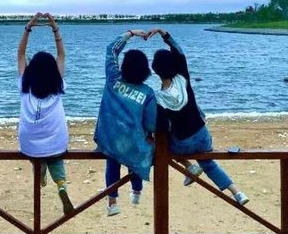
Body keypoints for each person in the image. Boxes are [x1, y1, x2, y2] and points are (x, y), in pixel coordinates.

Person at [148, 28, 249, 205]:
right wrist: (162, 33)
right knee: (209, 163)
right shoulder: (182, 78)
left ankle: (189, 167)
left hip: (182, 146)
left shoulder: (158, 98)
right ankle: (238, 192)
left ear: (155, 70)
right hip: (203, 136)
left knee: (162, 148)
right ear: (173, 65)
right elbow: (179, 51)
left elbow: (162, 127)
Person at [95, 29, 157, 217]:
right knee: (136, 157)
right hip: (132, 143)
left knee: (112, 163)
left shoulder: (113, 78)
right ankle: (136, 191)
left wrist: (130, 33)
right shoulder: (147, 92)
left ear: (124, 66)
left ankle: (112, 202)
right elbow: (151, 123)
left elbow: (111, 50)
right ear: (145, 70)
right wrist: (150, 135)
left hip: (108, 139)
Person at [17, 12, 74, 216]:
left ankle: (40, 173)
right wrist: (54, 27)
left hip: (29, 145)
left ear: (31, 70)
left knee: (38, 155)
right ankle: (61, 185)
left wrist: (28, 27)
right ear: (52, 71)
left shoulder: (24, 86)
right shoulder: (58, 86)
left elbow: (21, 55)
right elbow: (61, 55)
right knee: (55, 156)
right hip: (56, 143)